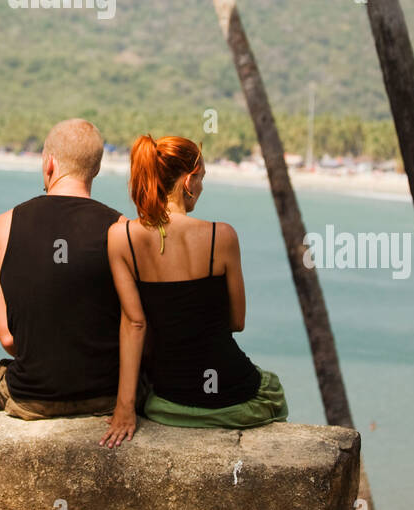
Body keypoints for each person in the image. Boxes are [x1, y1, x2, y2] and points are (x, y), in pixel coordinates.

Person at [100, 134, 288, 445]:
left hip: (171, 404)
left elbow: (135, 324)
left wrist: (125, 409)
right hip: (236, 398)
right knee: (272, 389)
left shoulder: (121, 238)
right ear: (189, 181)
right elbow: (237, 322)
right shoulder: (222, 236)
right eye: (201, 179)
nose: (201, 188)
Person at [0, 118, 143, 420]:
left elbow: (8, 339)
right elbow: (136, 324)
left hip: (32, 398)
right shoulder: (123, 229)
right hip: (105, 395)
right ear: (95, 169)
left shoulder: (1, 227)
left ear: (49, 163)